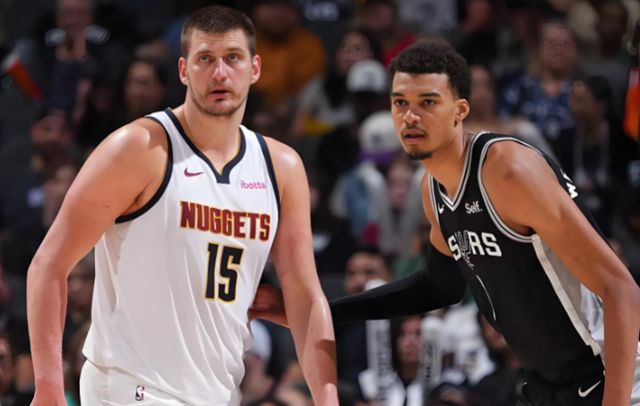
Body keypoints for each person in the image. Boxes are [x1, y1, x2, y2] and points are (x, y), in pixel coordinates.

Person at [251, 40, 640, 405]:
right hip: (547, 384)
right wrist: (317, 313)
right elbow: (439, 287)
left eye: (428, 102)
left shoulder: (508, 171)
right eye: (400, 103)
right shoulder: (433, 190)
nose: (410, 116)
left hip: (612, 376)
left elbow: (621, 289)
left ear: (460, 110)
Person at [26, 5, 338, 406]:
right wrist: (49, 389)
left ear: (255, 68)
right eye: (205, 59)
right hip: (131, 388)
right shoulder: (139, 148)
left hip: (218, 393)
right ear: (183, 71)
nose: (219, 73)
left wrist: (327, 398)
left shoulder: (281, 168)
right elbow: (48, 265)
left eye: (233, 58)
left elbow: (305, 298)